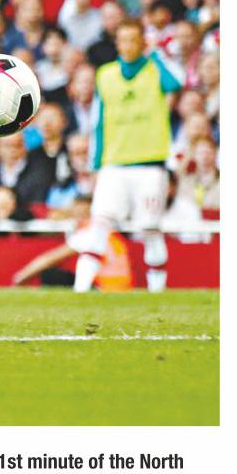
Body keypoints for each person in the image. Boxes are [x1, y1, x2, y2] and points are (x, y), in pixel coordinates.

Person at [72, 19, 182, 294]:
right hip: (114, 164)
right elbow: (98, 121)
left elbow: (176, 82)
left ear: (143, 42)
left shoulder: (155, 69)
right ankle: (80, 288)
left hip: (150, 163)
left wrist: (156, 53)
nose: (128, 45)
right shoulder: (105, 75)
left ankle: (157, 290)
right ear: (117, 43)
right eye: (123, 40)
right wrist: (95, 164)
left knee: (149, 227)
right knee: (100, 221)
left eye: (134, 40)